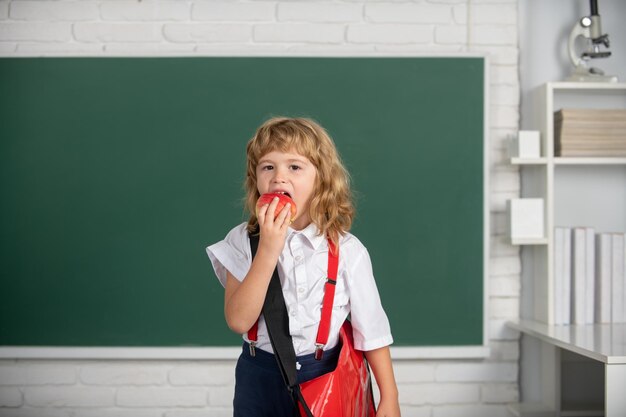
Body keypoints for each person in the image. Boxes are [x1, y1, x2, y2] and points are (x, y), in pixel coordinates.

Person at [206, 117, 401, 417]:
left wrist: (389, 395)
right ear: (255, 178)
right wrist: (268, 249)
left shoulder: (348, 251)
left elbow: (371, 331)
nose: (278, 177)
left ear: (320, 179)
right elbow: (238, 321)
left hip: (322, 375)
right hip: (258, 377)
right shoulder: (242, 240)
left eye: (294, 167)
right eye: (267, 166)